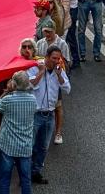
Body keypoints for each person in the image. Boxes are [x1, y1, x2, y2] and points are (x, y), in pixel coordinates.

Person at [26, 46, 71, 185]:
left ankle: (36, 172)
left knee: (43, 146)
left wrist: (59, 75)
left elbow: (67, 89)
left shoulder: (59, 71)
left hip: (50, 115)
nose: (57, 61)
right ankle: (25, 175)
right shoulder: (34, 68)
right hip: (35, 114)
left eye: (58, 59)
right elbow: (29, 85)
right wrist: (41, 72)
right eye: (54, 58)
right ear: (46, 57)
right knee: (30, 145)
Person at [0, 71, 37, 194]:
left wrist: (6, 91)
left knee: (4, 179)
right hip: (25, 147)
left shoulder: (8, 100)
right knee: (25, 180)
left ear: (14, 83)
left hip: (7, 145)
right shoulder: (33, 100)